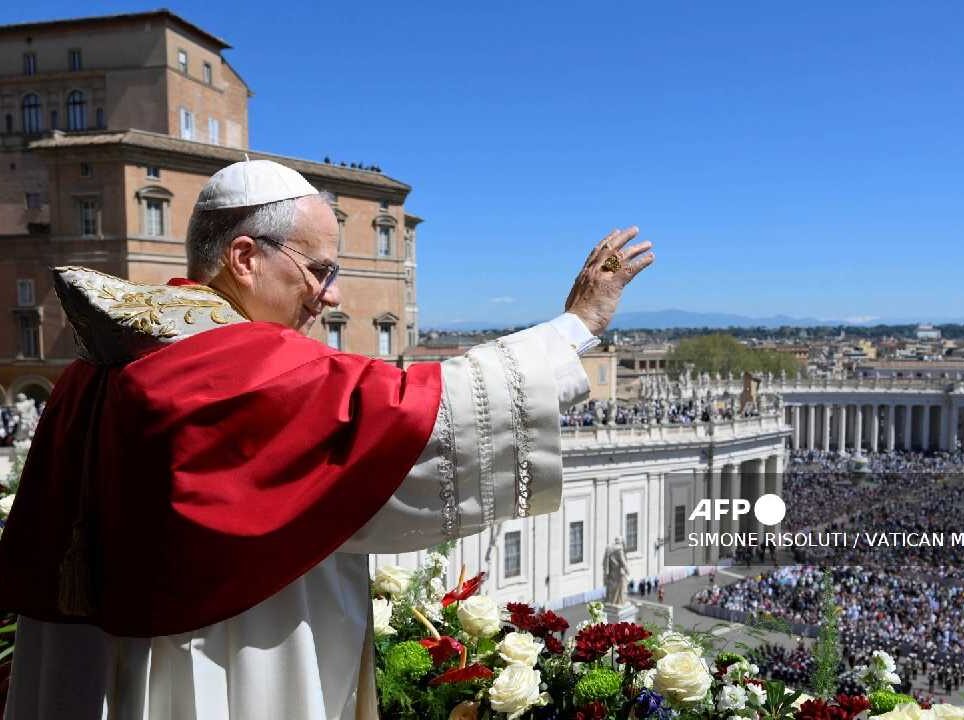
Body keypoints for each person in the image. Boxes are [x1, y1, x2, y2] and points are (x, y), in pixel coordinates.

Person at [0, 159, 654, 720]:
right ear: (246, 258)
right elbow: (412, 416)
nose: (330, 296)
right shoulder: (232, 361)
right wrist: (576, 325)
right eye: (317, 270)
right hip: (227, 655)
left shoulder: (103, 359)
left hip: (106, 659)